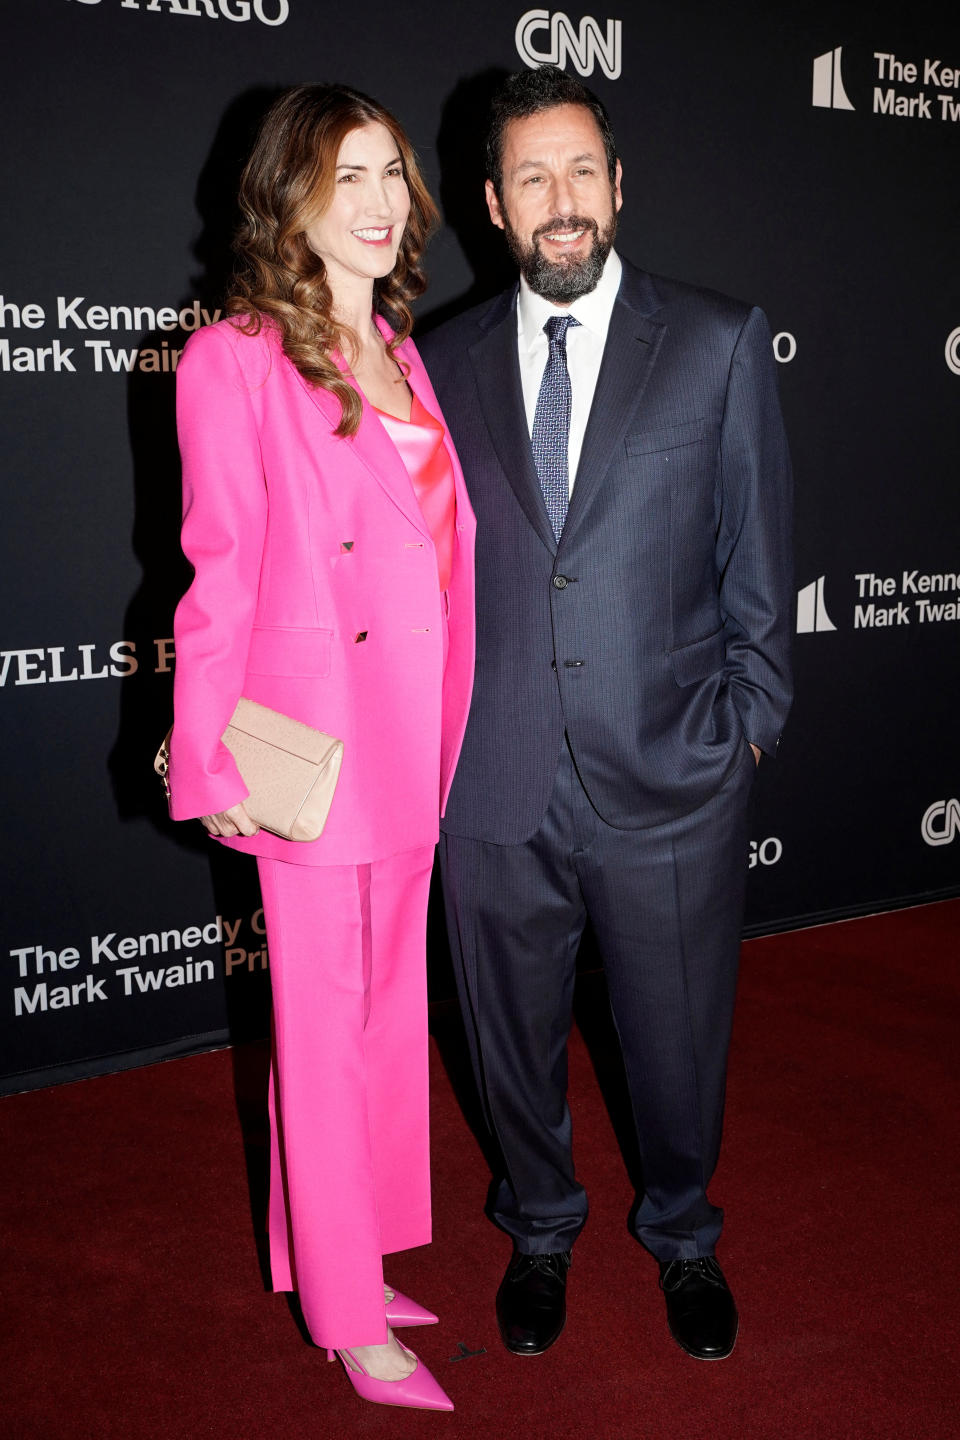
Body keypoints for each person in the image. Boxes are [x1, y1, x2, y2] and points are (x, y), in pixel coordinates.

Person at [419, 66, 792, 1362]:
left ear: (619, 186)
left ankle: (684, 1234)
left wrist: (747, 726)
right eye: (532, 177)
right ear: (491, 203)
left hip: (673, 769)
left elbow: (758, 555)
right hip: (493, 775)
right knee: (508, 1035)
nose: (561, 200)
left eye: (582, 171)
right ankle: (540, 1227)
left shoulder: (716, 339)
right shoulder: (438, 359)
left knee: (679, 1037)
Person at [166, 83, 475, 1412]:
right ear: (288, 194)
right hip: (309, 741)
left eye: (391, 175)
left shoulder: (402, 348)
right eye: (344, 176)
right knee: (320, 1018)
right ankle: (348, 1317)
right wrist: (208, 758)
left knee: (382, 1016)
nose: (376, 202)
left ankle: (343, 1251)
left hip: (418, 730)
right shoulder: (235, 356)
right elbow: (218, 570)